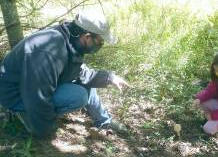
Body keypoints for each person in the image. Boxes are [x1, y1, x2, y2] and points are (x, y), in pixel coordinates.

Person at [0, 10, 129, 138]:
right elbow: (37, 95)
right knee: (79, 96)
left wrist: (109, 77)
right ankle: (24, 114)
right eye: (100, 42)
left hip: (34, 86)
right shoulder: (49, 52)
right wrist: (45, 129)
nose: (101, 45)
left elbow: (79, 73)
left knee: (88, 83)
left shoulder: (71, 40)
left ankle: (104, 121)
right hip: (16, 95)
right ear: (87, 36)